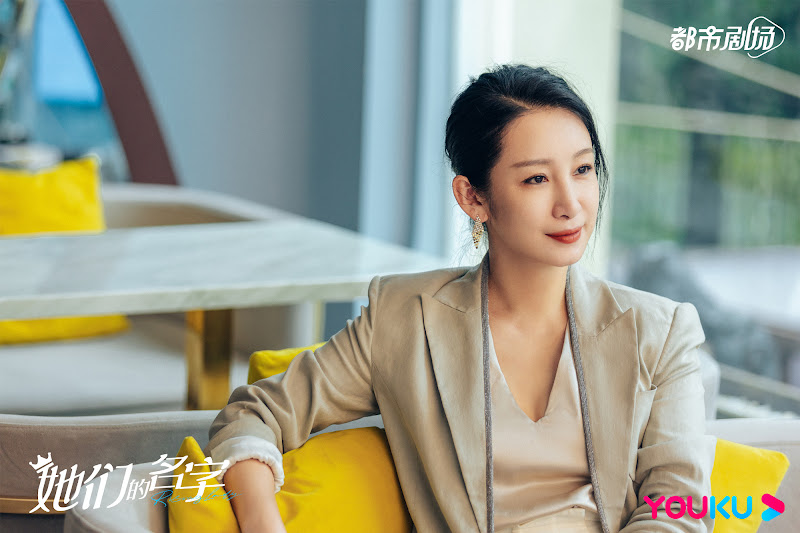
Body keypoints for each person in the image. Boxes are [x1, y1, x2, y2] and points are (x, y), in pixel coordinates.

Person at [206, 64, 714, 533]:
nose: (570, 204)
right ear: (473, 197)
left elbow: (681, 506)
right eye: (537, 178)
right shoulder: (404, 319)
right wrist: (263, 522)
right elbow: (254, 413)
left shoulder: (661, 331)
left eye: (582, 170)